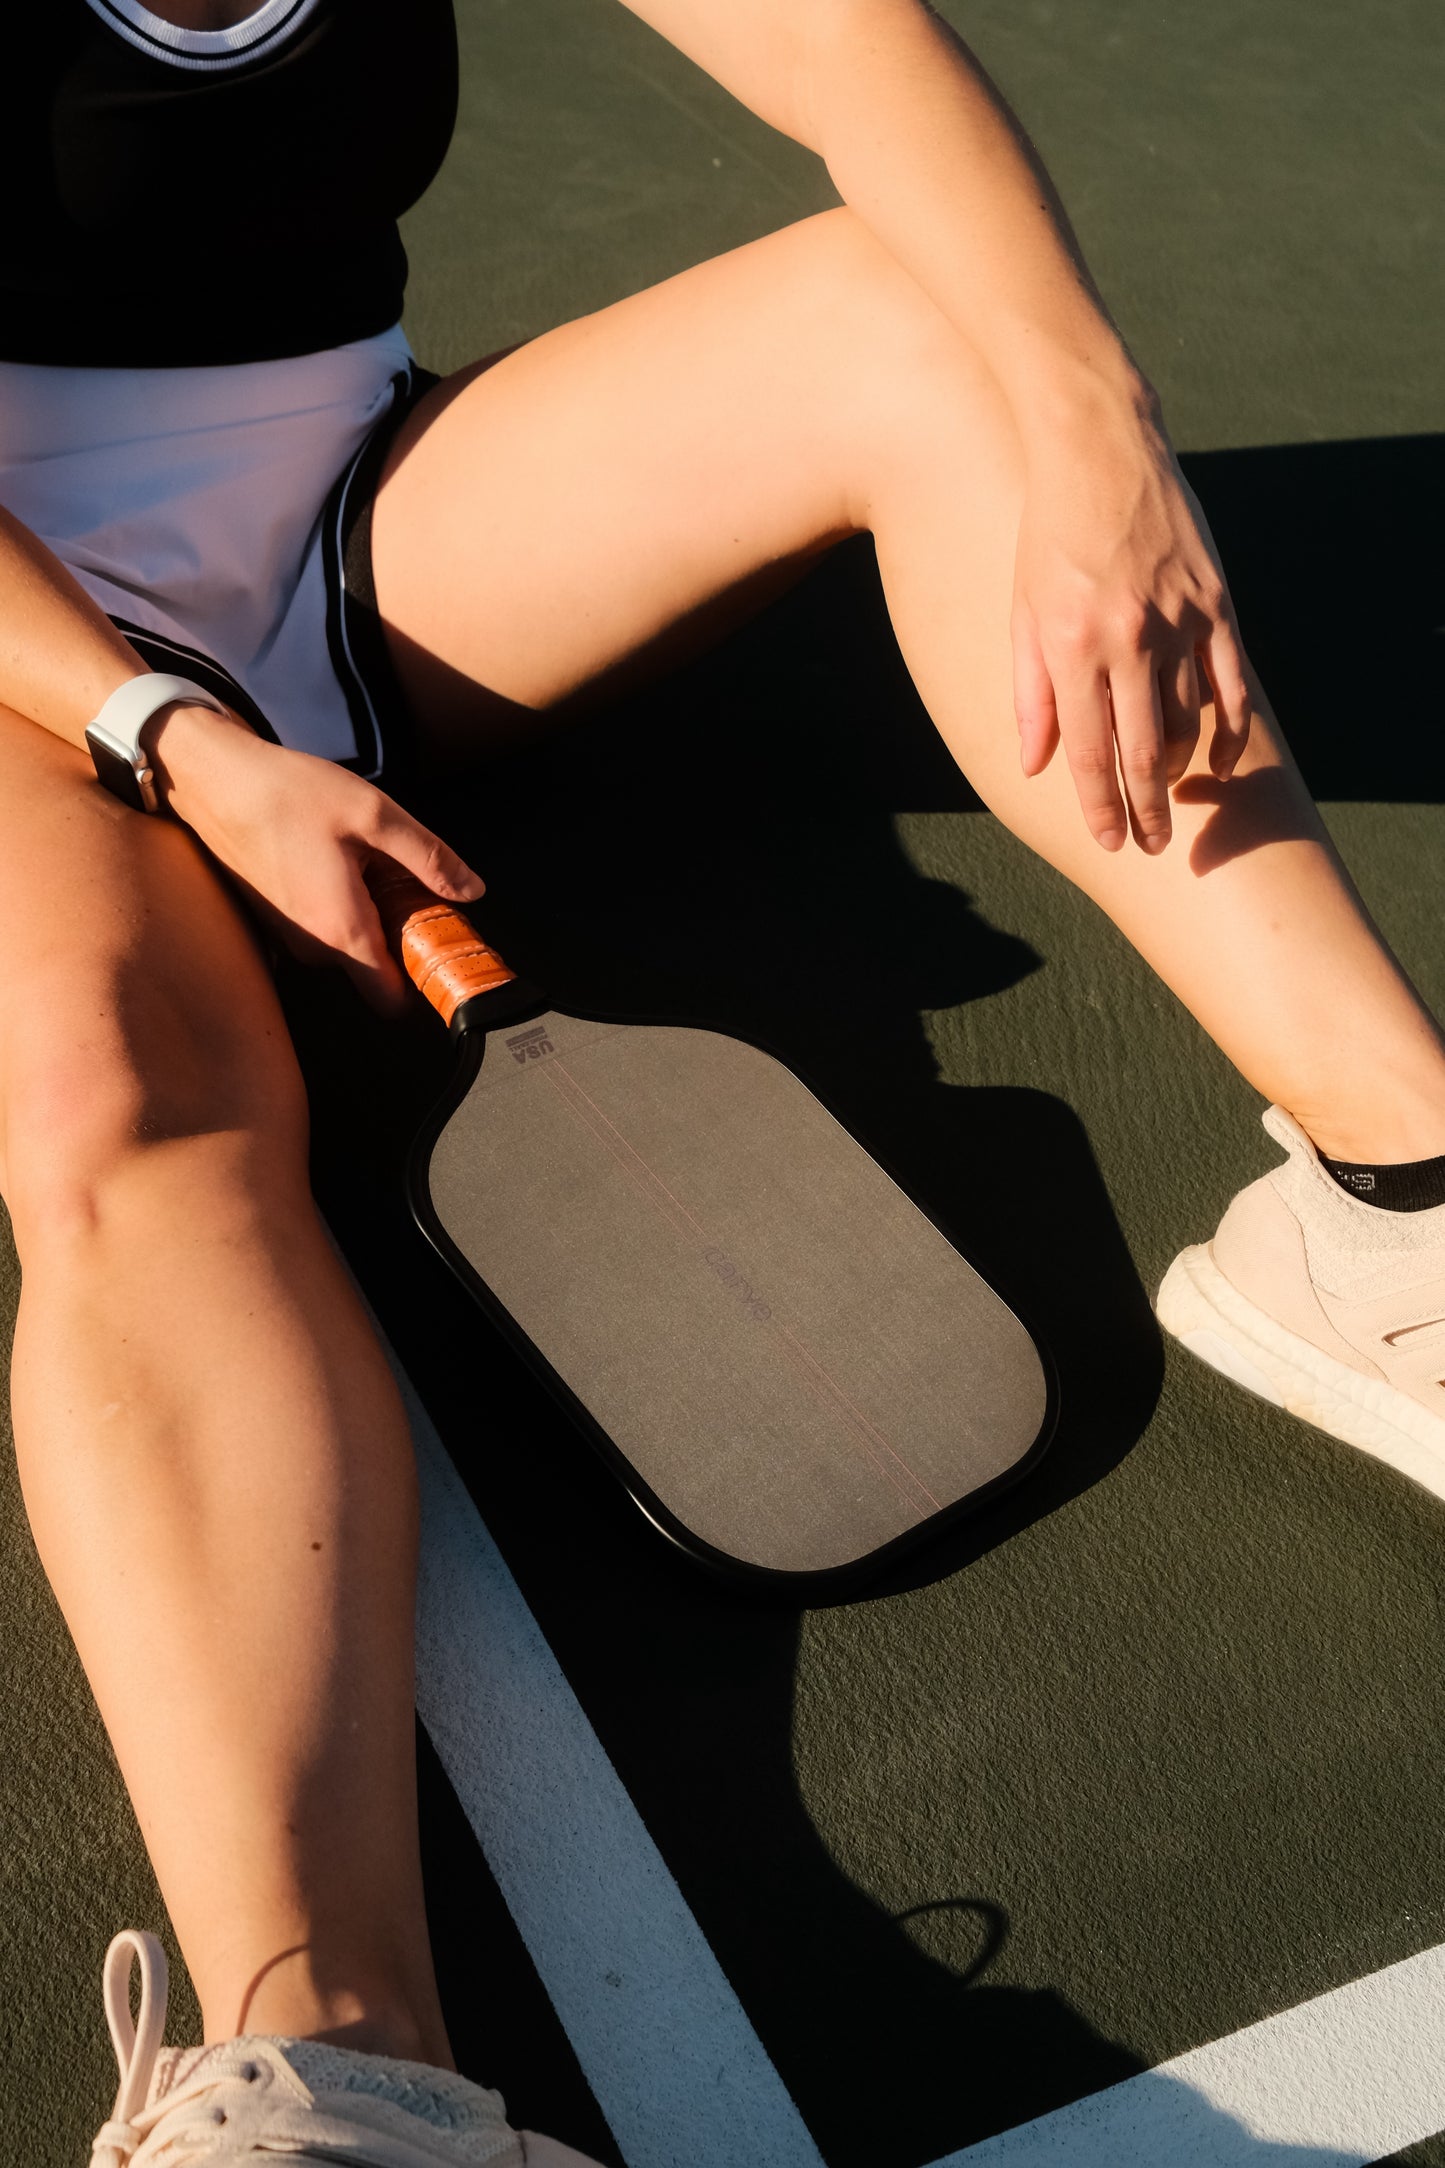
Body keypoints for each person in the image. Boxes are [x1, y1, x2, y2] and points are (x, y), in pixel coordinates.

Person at [4, 3, 1444, 2163]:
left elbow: (857, 58)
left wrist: (1093, 429)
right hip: (28, 637)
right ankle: (336, 2070)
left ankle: (1398, 1211)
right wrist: (179, 745)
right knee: (136, 1109)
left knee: (925, 319)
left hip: (350, 503)